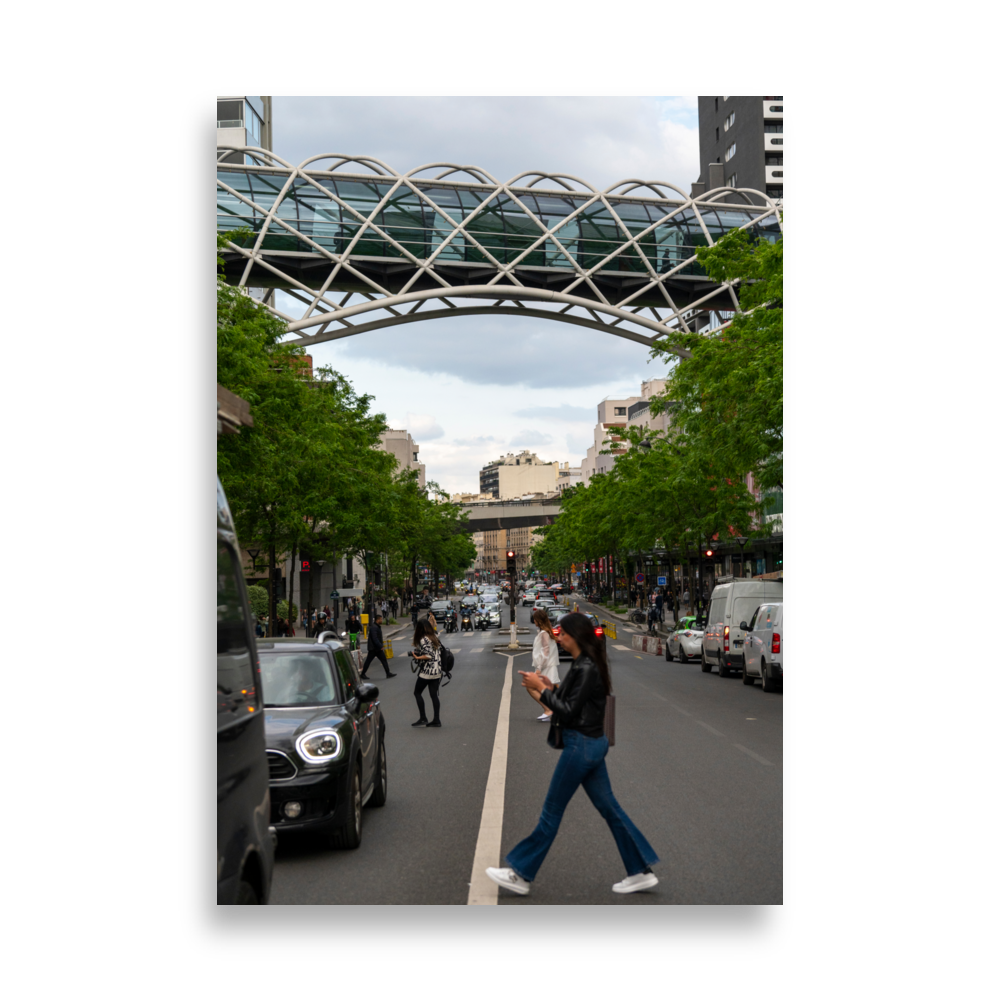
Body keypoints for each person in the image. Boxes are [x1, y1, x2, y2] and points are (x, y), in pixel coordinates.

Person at [485, 612, 659, 897]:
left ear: (575, 635)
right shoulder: (585, 664)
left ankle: (520, 873)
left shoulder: (586, 667)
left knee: (551, 812)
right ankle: (640, 871)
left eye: (563, 633)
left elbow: (566, 711)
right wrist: (548, 685)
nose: (559, 637)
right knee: (610, 809)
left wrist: (541, 691)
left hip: (581, 746)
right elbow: (571, 699)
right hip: (591, 743)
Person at [408, 620, 442, 728]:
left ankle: (423, 718)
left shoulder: (424, 639)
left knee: (417, 692)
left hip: (428, 671)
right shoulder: (434, 636)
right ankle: (436, 720)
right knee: (433, 695)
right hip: (437, 670)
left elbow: (429, 655)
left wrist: (417, 657)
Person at [531, 609, 561, 722]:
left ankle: (548, 710)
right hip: (548, 666)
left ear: (538, 620)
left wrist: (538, 668)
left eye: (535, 619)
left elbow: (545, 651)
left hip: (545, 666)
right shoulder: (546, 632)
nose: (534, 621)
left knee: (532, 687)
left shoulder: (544, 633)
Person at [361, 614, 396, 679]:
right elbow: (375, 638)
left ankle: (388, 673)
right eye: (380, 619)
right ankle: (362, 674)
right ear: (378, 620)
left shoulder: (376, 626)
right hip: (374, 649)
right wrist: (380, 646)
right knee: (368, 661)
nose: (381, 620)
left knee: (383, 660)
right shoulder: (374, 627)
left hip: (376, 649)